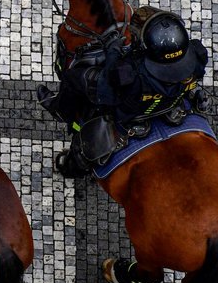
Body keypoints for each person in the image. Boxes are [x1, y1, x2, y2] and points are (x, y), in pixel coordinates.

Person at [43, 10, 208, 178]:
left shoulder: (130, 75)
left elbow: (108, 86)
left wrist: (113, 49)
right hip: (171, 104)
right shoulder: (198, 57)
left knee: (72, 79)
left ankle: (61, 116)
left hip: (129, 115)